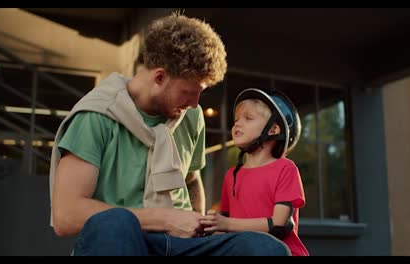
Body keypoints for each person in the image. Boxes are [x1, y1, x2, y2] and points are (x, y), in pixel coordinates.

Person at [49, 13, 290, 256]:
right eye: (189, 92)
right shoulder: (95, 117)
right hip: (124, 242)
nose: (195, 104)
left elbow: (191, 180)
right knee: (115, 222)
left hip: (180, 246)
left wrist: (200, 226)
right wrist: (163, 219)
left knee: (265, 248)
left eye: (200, 93)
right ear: (160, 77)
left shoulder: (190, 116)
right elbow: (66, 216)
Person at [200, 88, 309, 256]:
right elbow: (224, 226)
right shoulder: (231, 175)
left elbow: (279, 225)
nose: (237, 123)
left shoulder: (285, 169)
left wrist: (226, 224)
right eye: (236, 119)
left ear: (273, 130)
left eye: (248, 118)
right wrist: (210, 226)